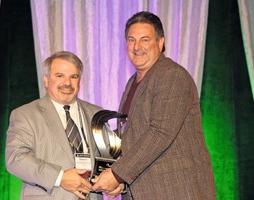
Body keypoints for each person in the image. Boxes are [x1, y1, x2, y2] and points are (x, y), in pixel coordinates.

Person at [92, 11, 216, 199]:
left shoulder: (171, 75)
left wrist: (117, 174)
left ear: (160, 43)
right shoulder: (133, 82)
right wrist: (119, 179)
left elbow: (161, 132)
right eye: (131, 40)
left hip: (174, 190)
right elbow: (132, 137)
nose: (137, 47)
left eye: (144, 40)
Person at [5, 51, 123, 199]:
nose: (67, 83)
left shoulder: (97, 114)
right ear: (46, 80)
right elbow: (16, 159)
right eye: (60, 76)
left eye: (73, 77)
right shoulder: (25, 114)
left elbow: (109, 157)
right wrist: (60, 177)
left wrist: (117, 180)